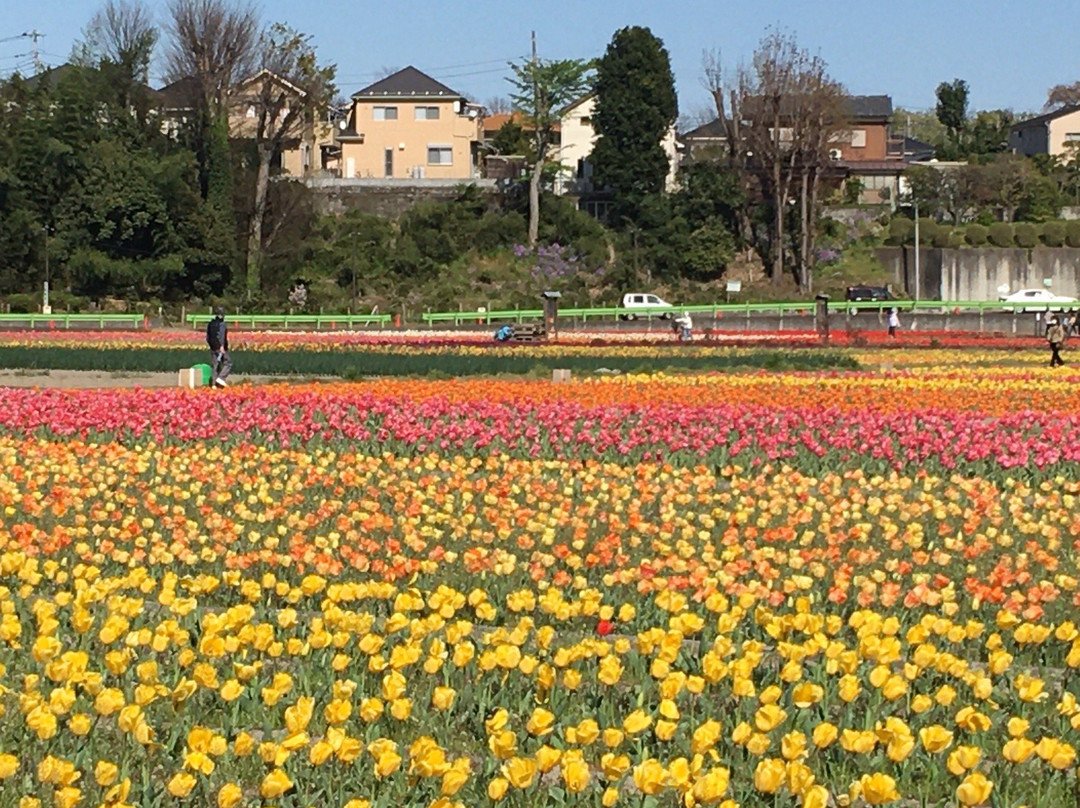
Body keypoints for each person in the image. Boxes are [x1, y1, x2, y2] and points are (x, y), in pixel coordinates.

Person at [206, 306, 231, 387]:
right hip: (220, 347)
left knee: (215, 365)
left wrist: (212, 345)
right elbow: (221, 336)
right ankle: (221, 378)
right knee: (228, 363)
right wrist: (222, 346)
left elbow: (208, 337)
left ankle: (213, 385)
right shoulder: (222, 324)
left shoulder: (211, 323)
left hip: (213, 347)